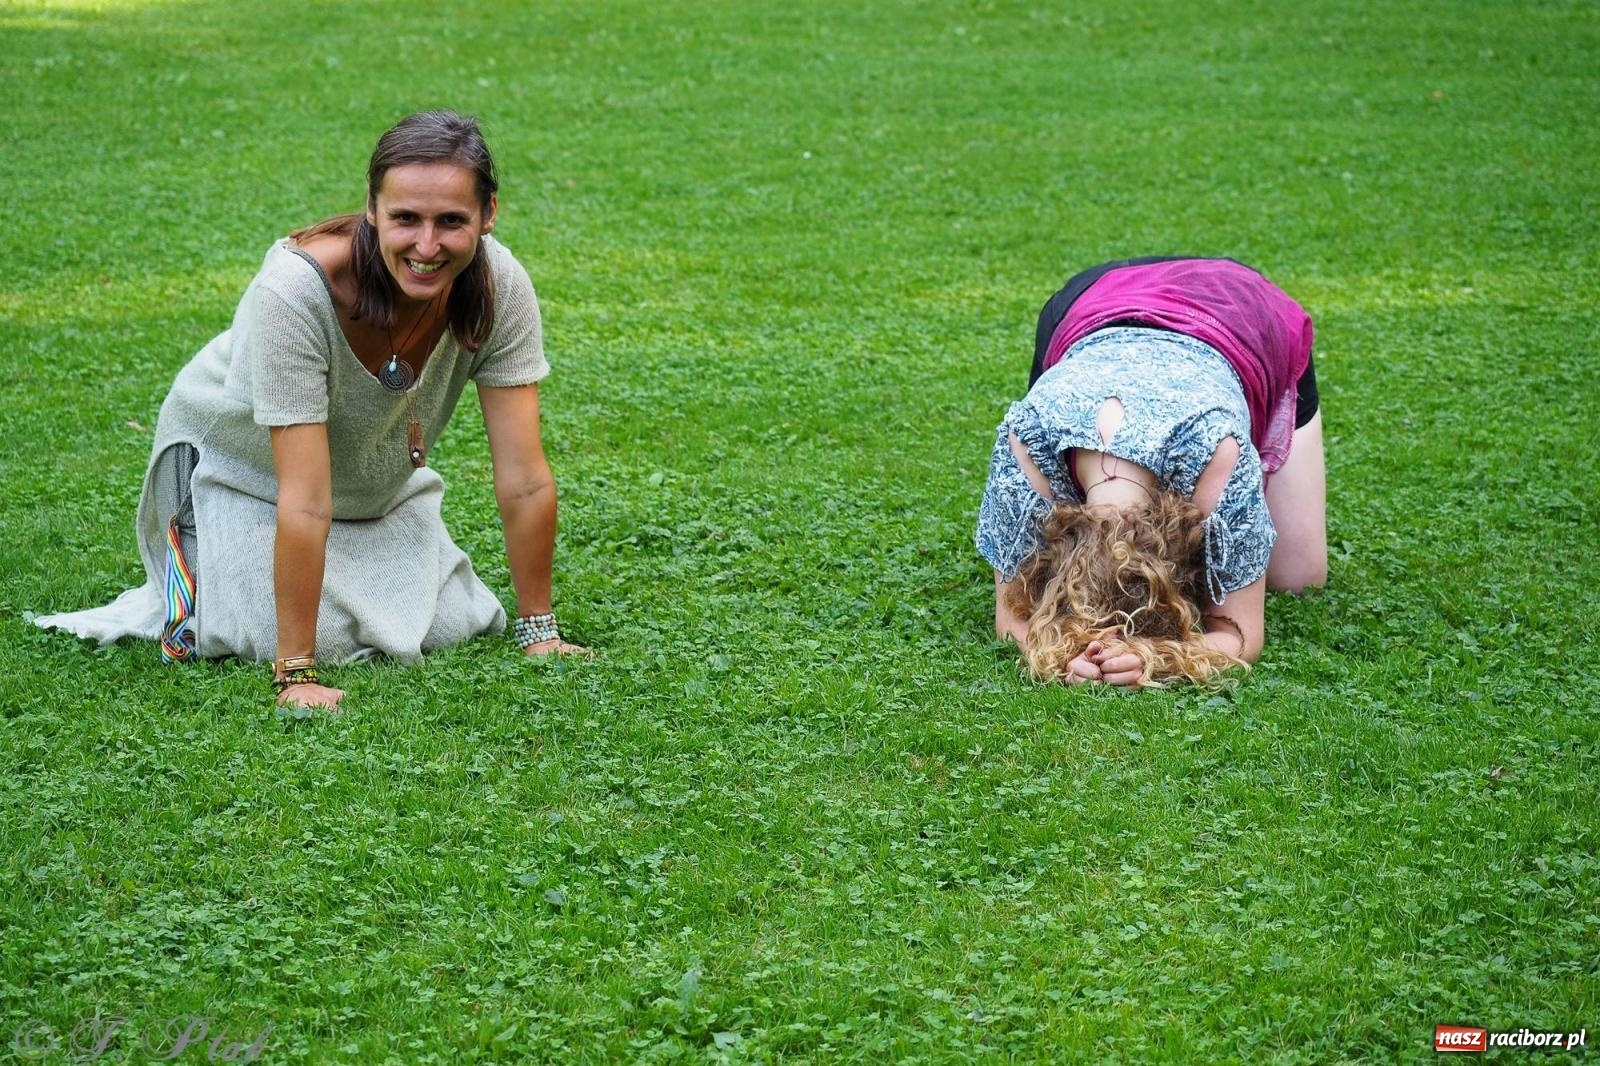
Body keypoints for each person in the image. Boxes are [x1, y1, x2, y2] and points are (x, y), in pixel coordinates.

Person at [36, 109, 586, 709]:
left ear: (488, 216)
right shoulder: (293, 293)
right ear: (372, 210)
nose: (427, 246)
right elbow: (303, 494)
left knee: (459, 618)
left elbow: (525, 477)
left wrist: (540, 629)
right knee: (315, 635)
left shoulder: (498, 286)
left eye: (451, 221)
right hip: (236, 478)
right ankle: (195, 572)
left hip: (366, 490)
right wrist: (296, 672)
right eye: (405, 218)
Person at [976, 256, 1326, 688]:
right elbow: (1011, 617)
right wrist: (1060, 655)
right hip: (1092, 306)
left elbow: (1242, 633)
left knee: (1298, 578)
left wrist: (1155, 656)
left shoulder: (1217, 452)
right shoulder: (1025, 437)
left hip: (1238, 309)